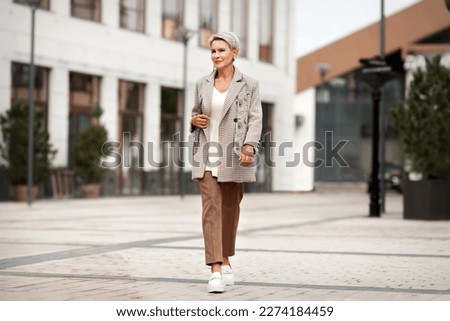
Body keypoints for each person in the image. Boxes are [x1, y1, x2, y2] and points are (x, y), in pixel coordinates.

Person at [190, 31, 263, 293]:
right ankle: (215, 269)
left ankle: (227, 258)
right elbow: (195, 114)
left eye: (221, 50)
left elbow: (255, 118)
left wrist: (249, 146)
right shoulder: (201, 83)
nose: (216, 55)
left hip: (234, 155)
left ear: (234, 52)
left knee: (230, 210)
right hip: (206, 154)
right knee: (211, 210)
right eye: (213, 51)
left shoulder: (249, 84)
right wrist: (193, 120)